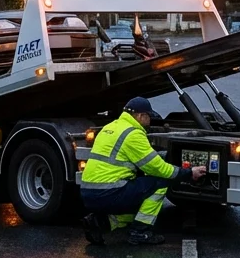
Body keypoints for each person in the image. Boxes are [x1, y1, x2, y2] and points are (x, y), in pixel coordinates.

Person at [80, 97, 206, 245]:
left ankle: (100, 223)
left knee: (140, 203)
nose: (150, 121)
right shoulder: (133, 134)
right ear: (140, 116)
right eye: (149, 117)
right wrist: (189, 173)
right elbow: (158, 168)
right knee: (160, 182)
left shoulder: (110, 127)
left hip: (88, 193)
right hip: (109, 193)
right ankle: (140, 232)